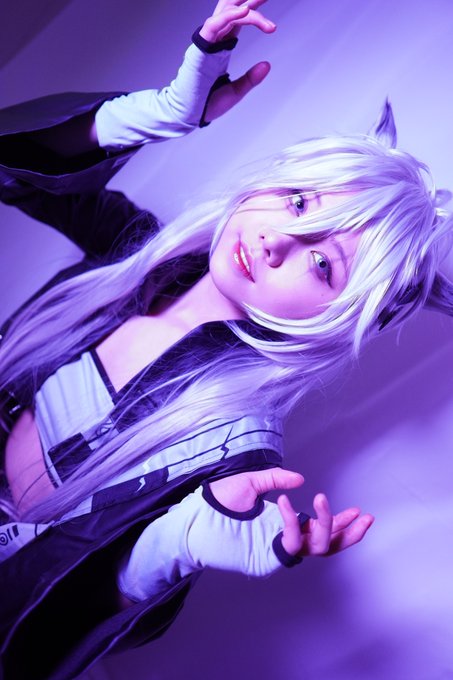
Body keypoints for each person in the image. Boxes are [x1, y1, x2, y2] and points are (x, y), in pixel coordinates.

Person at [0, 0, 452, 678]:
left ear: (337, 316)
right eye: (299, 201)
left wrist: (173, 547)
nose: (276, 241)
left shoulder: (235, 444)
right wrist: (161, 112)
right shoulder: (136, 255)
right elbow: (13, 161)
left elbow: (57, 623)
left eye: (321, 263)